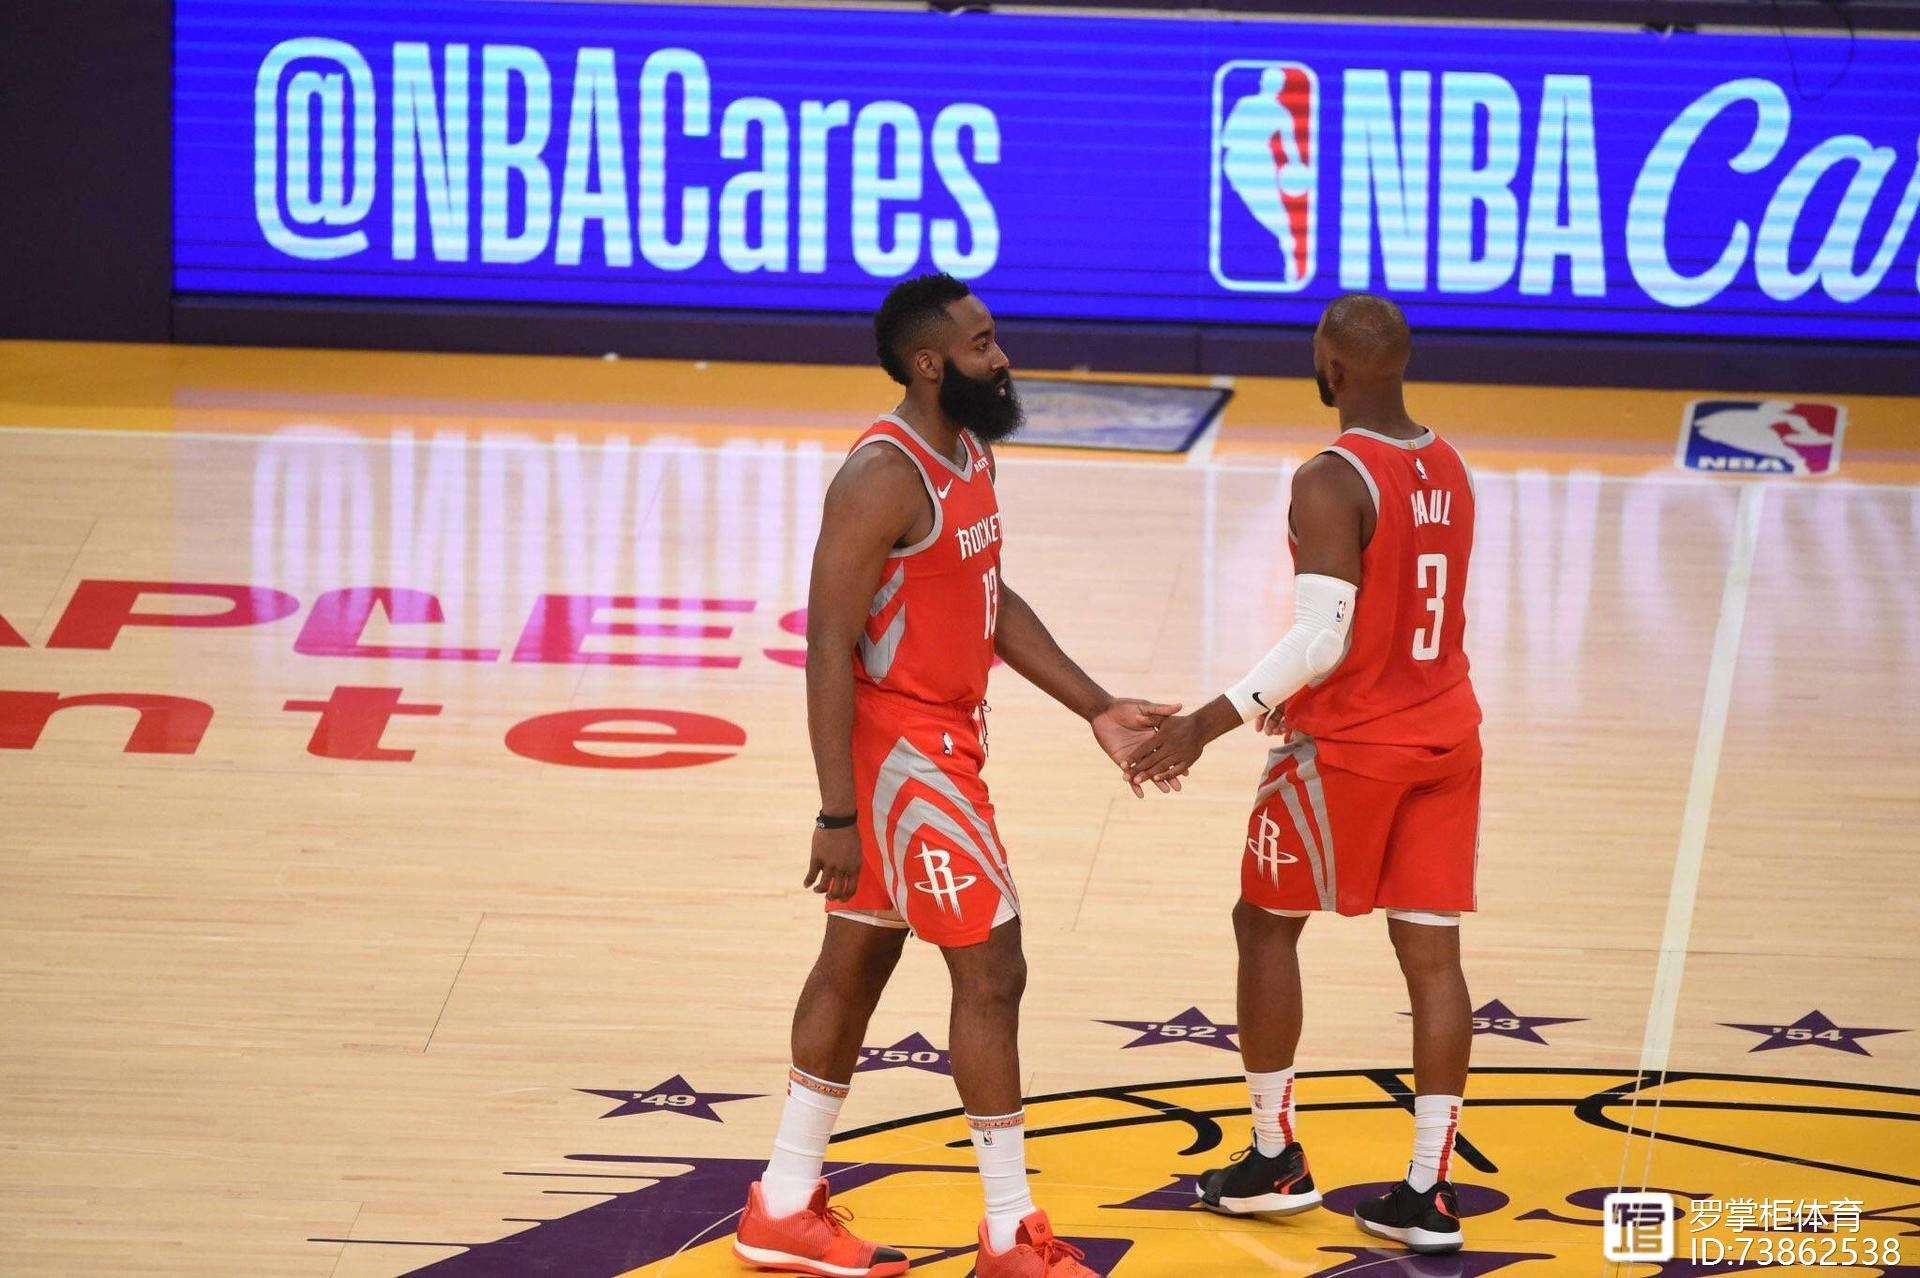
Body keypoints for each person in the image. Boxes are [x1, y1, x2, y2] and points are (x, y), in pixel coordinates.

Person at [735, 273, 1175, 1278]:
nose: (1002, 357)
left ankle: (784, 1204)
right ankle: (1010, 1236)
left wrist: (1095, 705)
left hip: (943, 740)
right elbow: (826, 644)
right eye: (982, 345)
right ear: (930, 364)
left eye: (996, 337)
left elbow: (989, 595)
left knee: (855, 964)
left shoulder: (969, 450)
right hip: (901, 754)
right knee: (993, 969)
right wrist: (836, 813)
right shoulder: (880, 476)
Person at [1127, 293, 1481, 1255]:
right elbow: (1402, 614)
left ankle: (1275, 1155)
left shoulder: (1331, 476)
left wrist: (1207, 723)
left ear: (1330, 364)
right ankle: (1428, 1192)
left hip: (1355, 749)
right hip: (1448, 737)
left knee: (1264, 924)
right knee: (1434, 960)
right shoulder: (1449, 463)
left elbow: (1323, 636)